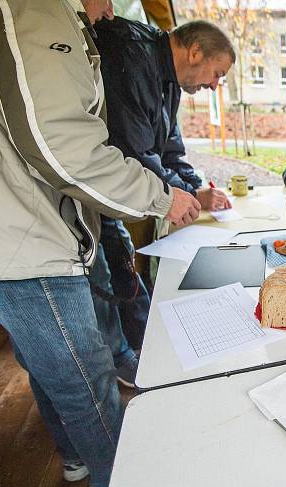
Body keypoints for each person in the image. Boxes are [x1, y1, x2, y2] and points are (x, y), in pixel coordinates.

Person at [0, 0, 201, 487]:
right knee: (85, 374)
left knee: (48, 363)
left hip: (7, 222)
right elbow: (59, 138)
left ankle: (75, 456)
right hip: (20, 226)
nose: (105, 16)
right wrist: (164, 197)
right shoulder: (41, 7)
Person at [89, 16, 236, 381]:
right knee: (106, 279)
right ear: (196, 51)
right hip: (93, 194)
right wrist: (176, 194)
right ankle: (126, 359)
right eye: (217, 74)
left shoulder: (169, 79)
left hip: (121, 196)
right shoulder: (133, 58)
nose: (215, 86)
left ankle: (144, 350)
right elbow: (135, 151)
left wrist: (195, 188)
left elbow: (169, 148)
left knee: (124, 270)